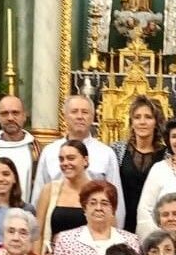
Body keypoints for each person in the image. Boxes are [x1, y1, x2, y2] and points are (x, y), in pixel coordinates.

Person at [31, 95, 126, 226]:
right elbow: (38, 196)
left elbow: (116, 200)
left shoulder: (106, 153)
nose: (80, 116)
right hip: (57, 223)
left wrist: (116, 236)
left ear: (93, 117)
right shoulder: (50, 152)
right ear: (64, 116)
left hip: (95, 227)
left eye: (85, 112)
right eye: (74, 112)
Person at [0, 94, 41, 203]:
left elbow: (41, 187)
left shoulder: (37, 150)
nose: (10, 118)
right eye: (4, 113)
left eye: (15, 113)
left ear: (24, 116)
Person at [114, 95, 166, 226]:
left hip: (154, 225)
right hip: (122, 222)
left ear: (156, 122)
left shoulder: (167, 155)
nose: (142, 122)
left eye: (148, 117)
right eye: (137, 117)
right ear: (131, 122)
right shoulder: (117, 151)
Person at [36, 139, 93, 253]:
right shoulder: (49, 190)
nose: (65, 163)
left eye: (71, 158)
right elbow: (37, 233)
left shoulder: (98, 192)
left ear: (85, 160)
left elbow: (108, 231)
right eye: (61, 159)